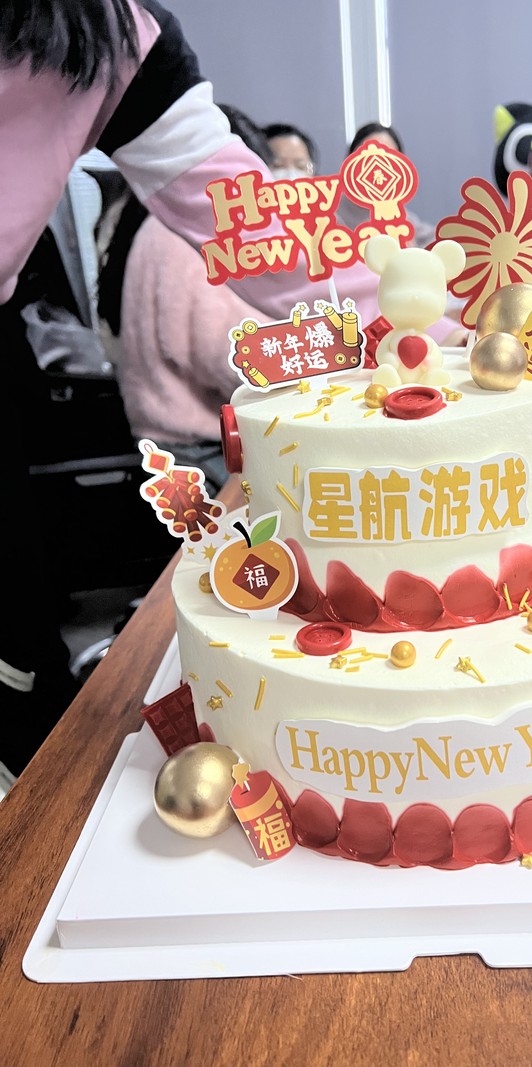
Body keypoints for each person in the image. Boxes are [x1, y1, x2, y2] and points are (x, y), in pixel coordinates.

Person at [0, 1, 464, 779]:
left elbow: (255, 232)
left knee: (18, 688)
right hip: (192, 449)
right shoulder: (171, 254)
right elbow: (239, 358)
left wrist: (434, 328)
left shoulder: (107, 31)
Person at [97, 105, 277, 495]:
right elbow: (231, 357)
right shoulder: (186, 238)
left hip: (168, 442)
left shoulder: (152, 226)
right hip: (198, 452)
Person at [342, 121, 436, 249]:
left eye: (389, 159)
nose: (378, 166)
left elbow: (437, 238)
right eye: (368, 158)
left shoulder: (400, 215)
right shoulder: (329, 213)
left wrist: (413, 253)